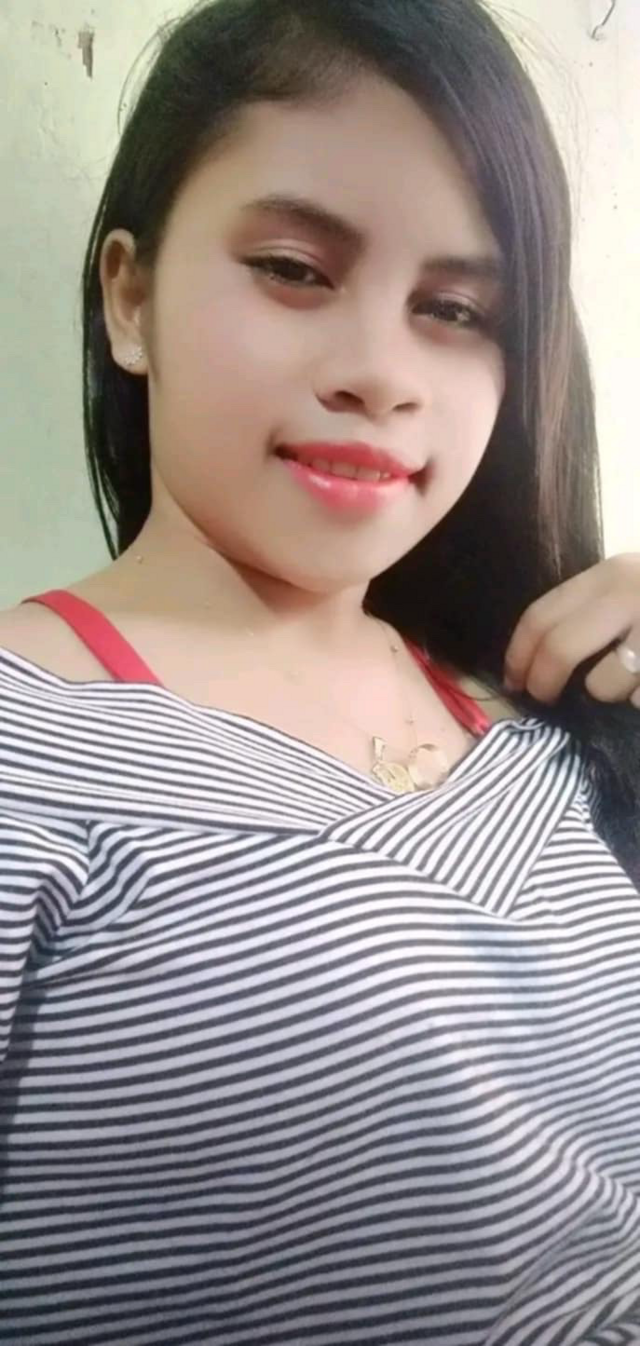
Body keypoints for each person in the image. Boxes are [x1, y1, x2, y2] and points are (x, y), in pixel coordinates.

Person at [1, 0, 639, 1340]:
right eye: (295, 270)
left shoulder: (544, 710)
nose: (381, 372)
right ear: (130, 297)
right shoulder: (28, 751)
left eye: (454, 309)